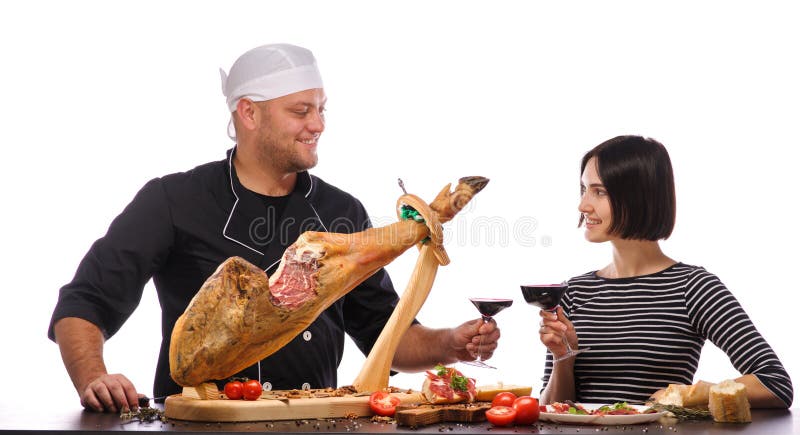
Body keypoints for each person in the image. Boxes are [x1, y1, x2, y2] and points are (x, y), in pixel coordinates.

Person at [48, 43, 500, 413]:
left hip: (316, 421)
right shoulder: (172, 200)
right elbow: (86, 300)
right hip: (199, 426)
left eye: (322, 109)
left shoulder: (340, 210)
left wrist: (451, 344)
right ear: (248, 113)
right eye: (301, 111)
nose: (318, 125)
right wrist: (94, 377)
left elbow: (387, 336)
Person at [538, 135, 793, 408]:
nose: (583, 205)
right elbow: (552, 409)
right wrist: (564, 358)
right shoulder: (573, 292)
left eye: (600, 192)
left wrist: (691, 394)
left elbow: (775, 383)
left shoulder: (693, 288)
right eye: (584, 189)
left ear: (638, 196)